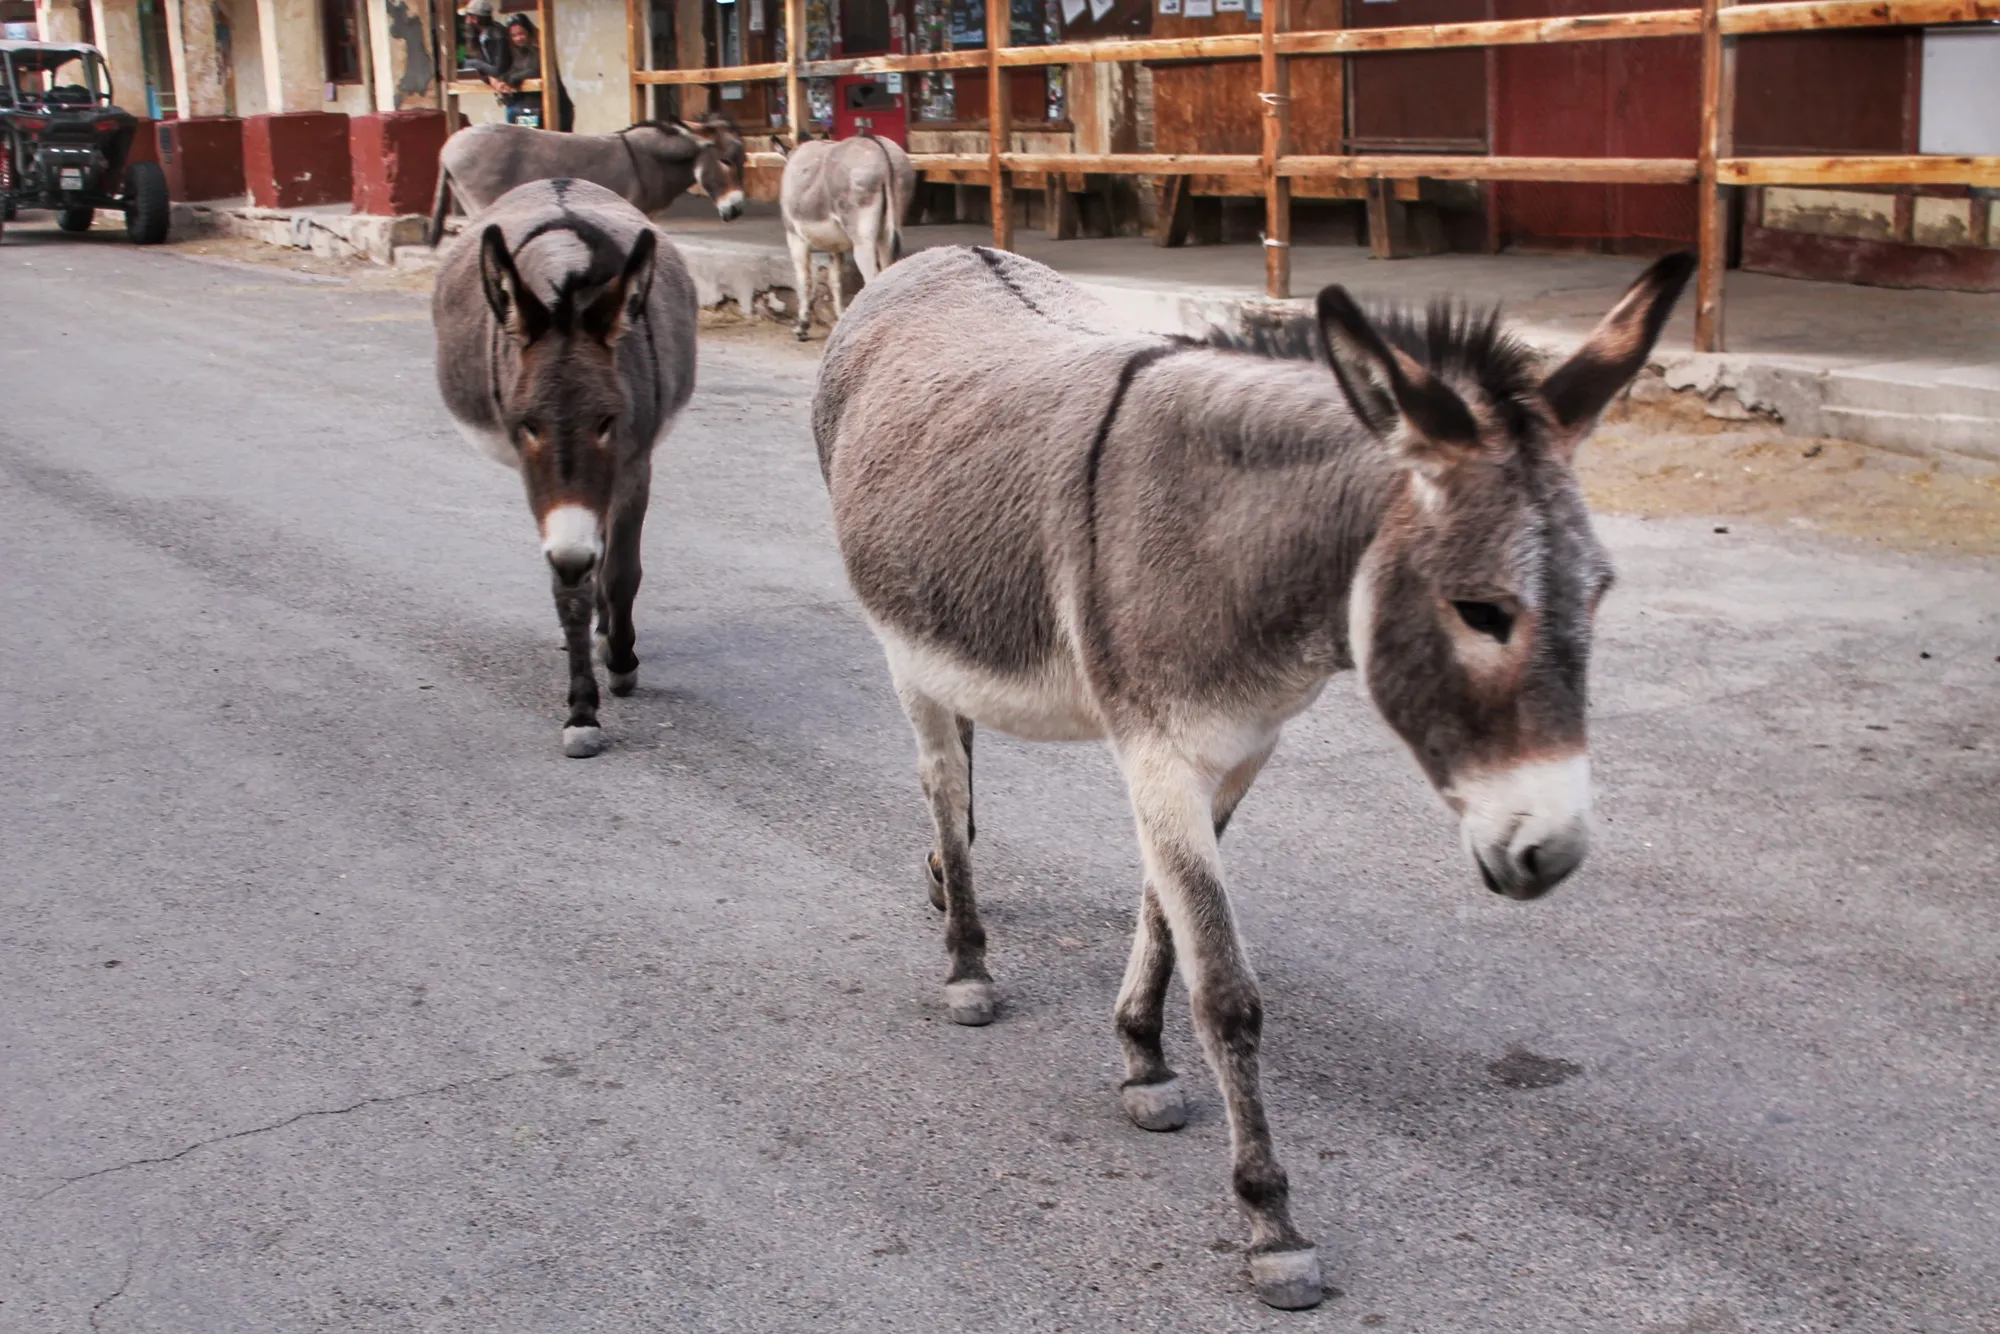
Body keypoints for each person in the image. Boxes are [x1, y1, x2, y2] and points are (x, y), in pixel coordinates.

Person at [496, 14, 574, 131]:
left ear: (529, 33)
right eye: (514, 35)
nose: (518, 38)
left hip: (555, 110)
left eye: (521, 33)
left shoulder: (540, 54)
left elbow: (535, 71)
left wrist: (514, 78)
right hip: (524, 111)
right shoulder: (511, 56)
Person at [458, 0, 509, 86]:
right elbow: (461, 59)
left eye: (468, 17)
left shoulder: (498, 36)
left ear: (475, 19)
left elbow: (498, 70)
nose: (466, 21)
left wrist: (475, 63)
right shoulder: (476, 35)